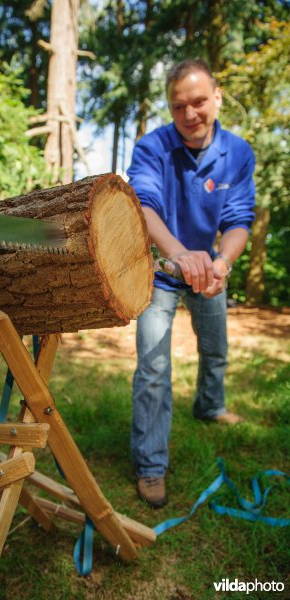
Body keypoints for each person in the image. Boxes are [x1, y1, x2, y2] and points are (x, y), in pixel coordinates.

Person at [127, 59, 255, 509]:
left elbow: (239, 220)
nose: (189, 114)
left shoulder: (239, 153)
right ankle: (150, 464)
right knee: (154, 368)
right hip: (161, 268)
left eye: (199, 102)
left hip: (208, 272)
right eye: (178, 105)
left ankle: (210, 406)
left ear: (217, 97)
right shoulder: (151, 147)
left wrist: (221, 263)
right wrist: (179, 255)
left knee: (215, 347)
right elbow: (143, 207)